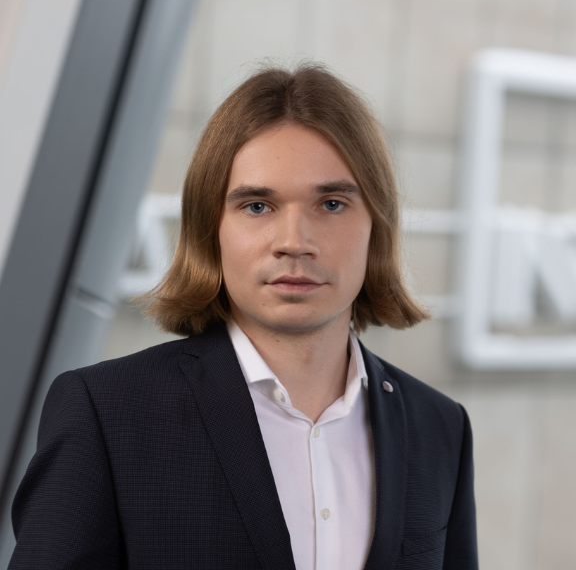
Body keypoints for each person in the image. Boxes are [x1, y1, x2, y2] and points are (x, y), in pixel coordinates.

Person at [9, 64, 478, 570]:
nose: (294, 242)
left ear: (376, 227)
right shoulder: (107, 413)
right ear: (210, 228)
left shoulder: (440, 427)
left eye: (331, 204)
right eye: (257, 206)